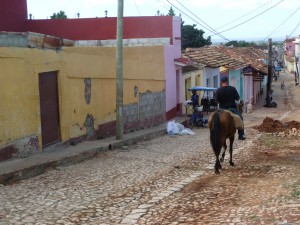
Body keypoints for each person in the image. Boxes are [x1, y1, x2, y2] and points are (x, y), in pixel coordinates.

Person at [215, 76, 246, 140]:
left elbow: (216, 101)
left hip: (221, 109)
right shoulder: (232, 89)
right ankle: (241, 135)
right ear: (227, 82)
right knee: (240, 118)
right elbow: (237, 98)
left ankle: (216, 134)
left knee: (215, 120)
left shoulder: (218, 90)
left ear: (221, 82)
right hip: (232, 109)